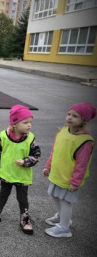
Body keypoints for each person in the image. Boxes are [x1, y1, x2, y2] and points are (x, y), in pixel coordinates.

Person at [0, 105, 41, 235]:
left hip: (22, 175)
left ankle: (24, 218)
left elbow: (36, 155)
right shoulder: (3, 136)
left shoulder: (30, 138)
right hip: (6, 173)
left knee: (22, 198)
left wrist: (26, 162)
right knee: (3, 194)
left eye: (30, 122)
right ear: (14, 124)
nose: (29, 125)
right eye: (25, 122)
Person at [43, 102, 95, 238]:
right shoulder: (62, 131)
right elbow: (55, 151)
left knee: (66, 201)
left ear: (84, 120)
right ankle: (62, 217)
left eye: (75, 116)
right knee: (54, 195)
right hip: (58, 174)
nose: (70, 118)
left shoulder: (85, 141)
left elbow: (82, 164)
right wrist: (48, 166)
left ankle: (64, 228)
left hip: (69, 179)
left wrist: (75, 182)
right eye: (69, 114)